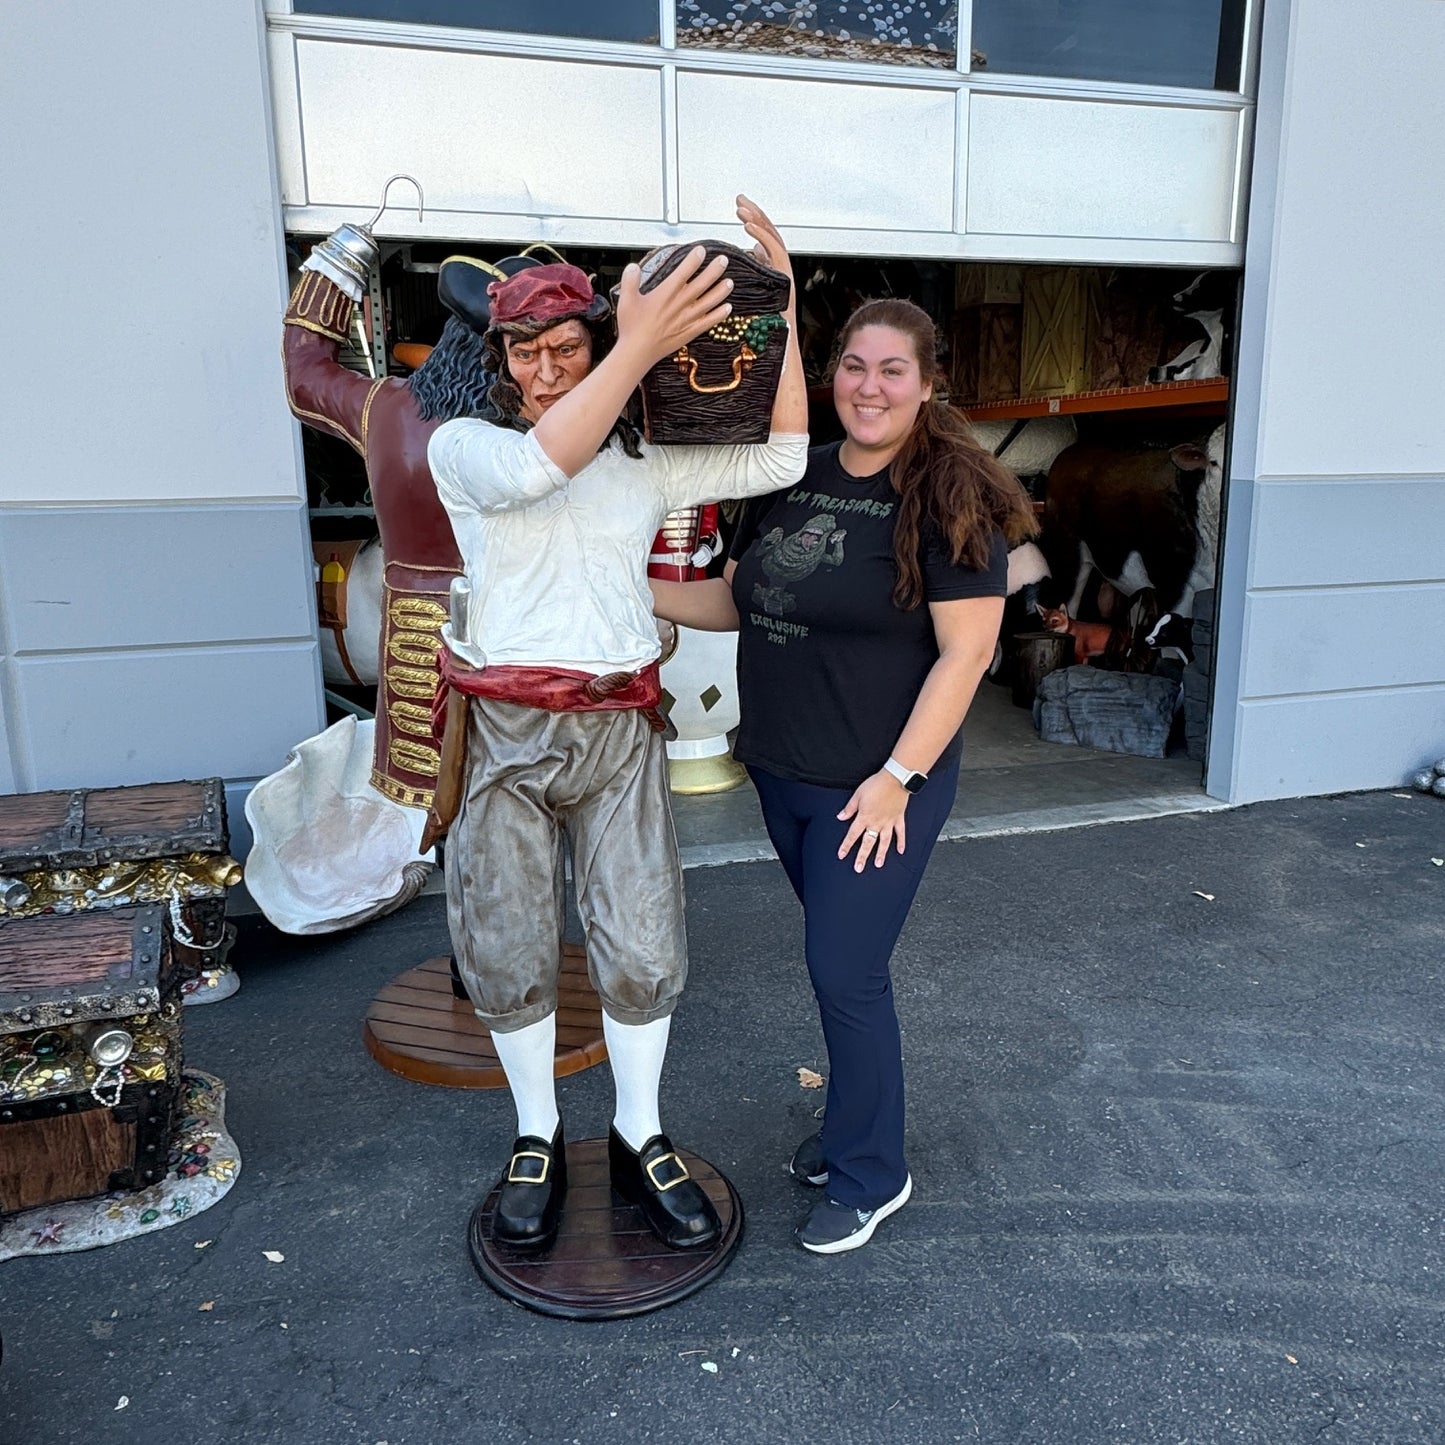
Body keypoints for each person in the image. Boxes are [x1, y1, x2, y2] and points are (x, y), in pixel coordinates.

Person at [425, 197, 808, 1253]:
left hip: (617, 726)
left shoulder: (643, 461)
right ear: (495, 358)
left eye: (565, 346)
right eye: (524, 351)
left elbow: (777, 459)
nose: (544, 368)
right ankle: (535, 1133)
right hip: (501, 724)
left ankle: (639, 1129)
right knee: (504, 939)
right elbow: (540, 461)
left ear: (591, 342)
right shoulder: (461, 446)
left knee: (640, 941)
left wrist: (784, 320)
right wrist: (634, 344)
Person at [650, 297, 1038, 1253]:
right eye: (854, 366)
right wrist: (614, 582)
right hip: (785, 772)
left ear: (926, 383)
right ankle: (849, 1129)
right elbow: (737, 598)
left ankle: (873, 1172)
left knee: (845, 971)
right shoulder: (797, 475)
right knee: (841, 971)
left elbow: (965, 655)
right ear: (833, 377)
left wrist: (899, 776)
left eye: (891, 370)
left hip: (875, 789)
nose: (870, 386)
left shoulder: (950, 497)